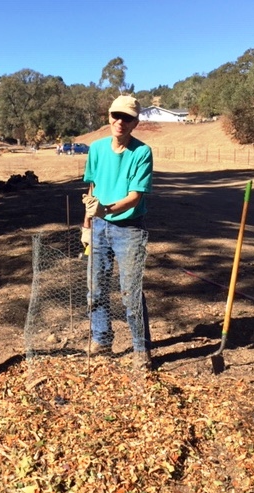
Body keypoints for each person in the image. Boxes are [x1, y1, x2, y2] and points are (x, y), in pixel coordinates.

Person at [81, 95, 153, 369]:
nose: (120, 122)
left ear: (136, 122)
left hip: (129, 229)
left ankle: (140, 349)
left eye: (127, 118)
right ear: (109, 117)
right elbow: (91, 191)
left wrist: (107, 209)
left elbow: (135, 196)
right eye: (116, 116)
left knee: (130, 292)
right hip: (98, 228)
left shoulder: (142, 153)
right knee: (95, 288)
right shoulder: (97, 149)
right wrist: (87, 225)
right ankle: (102, 339)